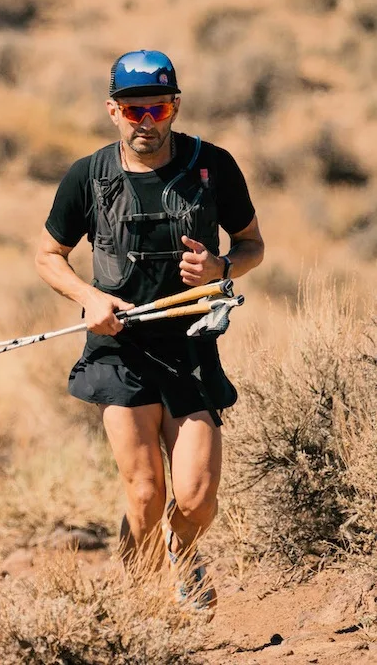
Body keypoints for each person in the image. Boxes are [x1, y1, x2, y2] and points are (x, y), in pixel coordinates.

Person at [35, 49, 264, 612]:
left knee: (197, 496)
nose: (146, 122)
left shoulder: (213, 166)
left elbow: (253, 244)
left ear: (174, 107)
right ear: (113, 111)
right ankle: (140, 611)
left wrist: (222, 268)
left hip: (190, 348)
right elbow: (47, 255)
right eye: (133, 111)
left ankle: (181, 552)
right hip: (119, 348)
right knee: (144, 492)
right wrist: (89, 299)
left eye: (157, 109)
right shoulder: (88, 175)